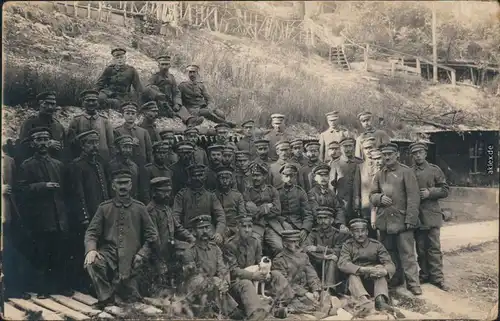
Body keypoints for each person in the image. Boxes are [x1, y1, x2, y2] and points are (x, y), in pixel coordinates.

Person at [84, 169, 158, 309]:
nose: (123, 187)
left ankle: (123, 290)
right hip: (109, 253)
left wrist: (142, 253)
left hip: (132, 255)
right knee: (92, 262)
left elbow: (152, 236)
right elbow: (91, 233)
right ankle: (105, 298)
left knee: (131, 295)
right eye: (119, 183)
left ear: (131, 185)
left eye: (126, 183)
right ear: (113, 186)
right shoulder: (104, 208)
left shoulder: (140, 208)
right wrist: (91, 250)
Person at [18, 127, 70, 297]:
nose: (42, 143)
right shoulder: (27, 165)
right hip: (40, 217)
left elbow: (65, 192)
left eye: (45, 139)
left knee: (59, 252)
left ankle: (61, 286)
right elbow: (21, 189)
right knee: (42, 253)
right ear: (33, 143)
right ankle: (43, 289)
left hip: (58, 216)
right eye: (39, 140)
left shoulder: (58, 164)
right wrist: (43, 186)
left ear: (50, 142)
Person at [369, 142, 422, 295]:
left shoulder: (406, 172)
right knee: (389, 253)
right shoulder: (379, 174)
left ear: (397, 155)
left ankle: (413, 283)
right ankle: (394, 280)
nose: (387, 157)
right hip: (385, 221)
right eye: (384, 154)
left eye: (390, 154)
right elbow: (371, 195)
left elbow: (414, 197)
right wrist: (379, 198)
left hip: (402, 220)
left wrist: (411, 219)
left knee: (407, 254)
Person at [223, 214, 294, 316]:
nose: (247, 230)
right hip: (238, 284)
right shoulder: (230, 245)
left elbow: (259, 262)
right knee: (246, 284)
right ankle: (258, 314)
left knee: (276, 275)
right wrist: (252, 276)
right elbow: (233, 270)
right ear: (237, 227)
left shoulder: (255, 242)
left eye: (250, 226)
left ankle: (282, 304)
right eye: (244, 226)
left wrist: (265, 273)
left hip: (257, 280)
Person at [67, 129, 111, 292]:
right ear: (83, 146)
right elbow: (78, 194)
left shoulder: (99, 164)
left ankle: (97, 283)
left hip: (101, 215)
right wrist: (84, 217)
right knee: (84, 249)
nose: (94, 146)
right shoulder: (77, 166)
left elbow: (104, 189)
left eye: (96, 142)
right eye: (90, 143)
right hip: (87, 216)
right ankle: (83, 285)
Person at [337, 219, 399, 315]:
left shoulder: (377, 245)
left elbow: (390, 264)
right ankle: (363, 301)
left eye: (363, 231)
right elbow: (343, 263)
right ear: (352, 233)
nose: (360, 234)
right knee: (353, 275)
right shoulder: (347, 246)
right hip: (355, 284)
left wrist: (385, 270)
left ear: (367, 232)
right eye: (356, 231)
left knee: (379, 271)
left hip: (373, 282)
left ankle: (380, 300)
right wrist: (362, 269)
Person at [409, 142, 449, 291]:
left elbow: (445, 190)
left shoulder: (434, 170)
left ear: (425, 154)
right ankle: (424, 274)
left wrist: (430, 193)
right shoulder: (409, 171)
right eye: (415, 153)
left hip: (432, 215)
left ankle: (437, 278)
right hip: (417, 215)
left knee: (434, 248)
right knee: (420, 247)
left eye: (420, 152)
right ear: (412, 155)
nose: (418, 155)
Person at [182, 215, 239, 318]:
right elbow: (194, 279)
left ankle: (230, 312)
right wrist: (213, 281)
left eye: (207, 227)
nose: (204, 231)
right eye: (200, 228)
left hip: (214, 290)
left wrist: (224, 281)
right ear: (194, 231)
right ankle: (229, 312)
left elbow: (222, 269)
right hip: (196, 296)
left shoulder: (215, 249)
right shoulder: (190, 251)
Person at [145, 177, 195, 294]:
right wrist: (159, 261)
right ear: (154, 192)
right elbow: (153, 239)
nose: (167, 195)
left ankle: (187, 288)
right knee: (160, 284)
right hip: (156, 253)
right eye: (163, 192)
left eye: (168, 191)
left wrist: (190, 237)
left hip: (169, 248)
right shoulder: (151, 211)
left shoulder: (166, 208)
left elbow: (177, 227)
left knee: (189, 252)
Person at [172, 164, 226, 245]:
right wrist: (186, 235)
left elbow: (220, 216)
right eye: (194, 176)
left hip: (208, 233)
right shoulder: (182, 195)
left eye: (200, 175)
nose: (197, 178)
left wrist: (218, 232)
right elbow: (175, 218)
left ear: (204, 177)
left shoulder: (210, 196)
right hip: (189, 234)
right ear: (190, 178)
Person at [144, 55, 204, 126]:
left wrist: (177, 103)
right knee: (163, 110)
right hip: (159, 103)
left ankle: (190, 121)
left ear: (169, 65)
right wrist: (157, 94)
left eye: (166, 64)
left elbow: (176, 92)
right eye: (162, 64)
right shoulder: (155, 77)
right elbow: (147, 88)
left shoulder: (171, 78)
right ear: (159, 66)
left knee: (181, 108)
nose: (164, 67)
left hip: (170, 102)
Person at [272, 230, 322, 312]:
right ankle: (287, 308)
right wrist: (305, 293)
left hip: (305, 290)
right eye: (292, 242)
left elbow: (311, 274)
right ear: (285, 243)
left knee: (323, 299)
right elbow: (285, 283)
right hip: (290, 293)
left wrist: (315, 289)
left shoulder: (303, 255)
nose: (296, 244)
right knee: (312, 306)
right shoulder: (279, 260)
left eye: (297, 241)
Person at [304, 207, 351, 294]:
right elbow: (306, 248)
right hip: (316, 263)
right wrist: (323, 257)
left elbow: (337, 251)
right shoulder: (313, 233)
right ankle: (314, 289)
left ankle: (329, 290)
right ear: (317, 220)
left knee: (332, 260)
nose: (323, 221)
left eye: (326, 218)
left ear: (332, 220)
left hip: (333, 267)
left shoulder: (338, 234)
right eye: (320, 218)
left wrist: (318, 248)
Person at [67, 90, 115, 162]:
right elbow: (70, 142)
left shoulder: (105, 121)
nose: (91, 103)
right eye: (88, 101)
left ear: (98, 102)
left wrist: (111, 160)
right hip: (82, 161)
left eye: (94, 100)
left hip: (103, 160)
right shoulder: (76, 120)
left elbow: (111, 144)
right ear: (83, 102)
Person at [18, 91, 66, 162]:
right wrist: (45, 145)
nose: (50, 107)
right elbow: (22, 147)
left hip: (54, 166)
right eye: (46, 104)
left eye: (53, 104)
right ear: (39, 105)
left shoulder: (58, 125)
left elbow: (64, 146)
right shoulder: (29, 123)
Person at [243, 163, 281, 251]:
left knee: (279, 247)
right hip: (256, 225)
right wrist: (267, 206)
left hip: (271, 225)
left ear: (264, 176)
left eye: (258, 175)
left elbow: (277, 210)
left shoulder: (272, 190)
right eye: (253, 176)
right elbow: (250, 212)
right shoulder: (248, 192)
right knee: (255, 247)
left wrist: (258, 209)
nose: (255, 178)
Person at [277, 164, 314, 246]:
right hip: (281, 226)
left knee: (306, 247)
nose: (289, 179)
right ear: (282, 177)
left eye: (292, 176)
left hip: (298, 226)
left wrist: (305, 229)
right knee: (280, 246)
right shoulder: (277, 192)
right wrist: (283, 221)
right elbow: (274, 213)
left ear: (295, 177)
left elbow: (308, 214)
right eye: (286, 176)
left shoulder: (300, 192)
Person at [330, 137, 362, 224]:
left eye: (350, 146)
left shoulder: (360, 162)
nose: (348, 149)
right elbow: (332, 187)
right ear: (340, 148)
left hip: (358, 202)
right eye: (345, 146)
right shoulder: (335, 163)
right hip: (342, 202)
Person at [307, 164, 347, 232]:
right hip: (318, 224)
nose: (323, 178)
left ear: (329, 178)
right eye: (320, 176)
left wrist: (340, 224)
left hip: (332, 223)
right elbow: (315, 211)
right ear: (315, 178)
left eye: (326, 176)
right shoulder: (312, 193)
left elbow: (338, 209)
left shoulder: (331, 193)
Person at [114, 102, 153, 169]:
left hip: (142, 166)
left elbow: (149, 151)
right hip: (125, 167)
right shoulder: (117, 131)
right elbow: (116, 150)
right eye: (127, 113)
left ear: (136, 115)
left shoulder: (143, 132)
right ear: (123, 115)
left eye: (133, 113)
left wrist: (150, 165)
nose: (130, 116)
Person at [214, 168, 247, 240]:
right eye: (222, 178)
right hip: (219, 229)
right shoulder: (214, 196)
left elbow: (242, 215)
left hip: (234, 228)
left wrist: (235, 229)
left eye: (227, 178)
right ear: (218, 180)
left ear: (231, 180)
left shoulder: (237, 195)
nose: (225, 181)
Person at [359, 148, 382, 239]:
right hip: (372, 209)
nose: (377, 162)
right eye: (374, 159)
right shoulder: (369, 172)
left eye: (379, 158)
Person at [109, 135, 140, 200]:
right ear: (118, 149)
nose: (128, 150)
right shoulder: (112, 166)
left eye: (130, 147)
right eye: (125, 147)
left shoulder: (134, 166)